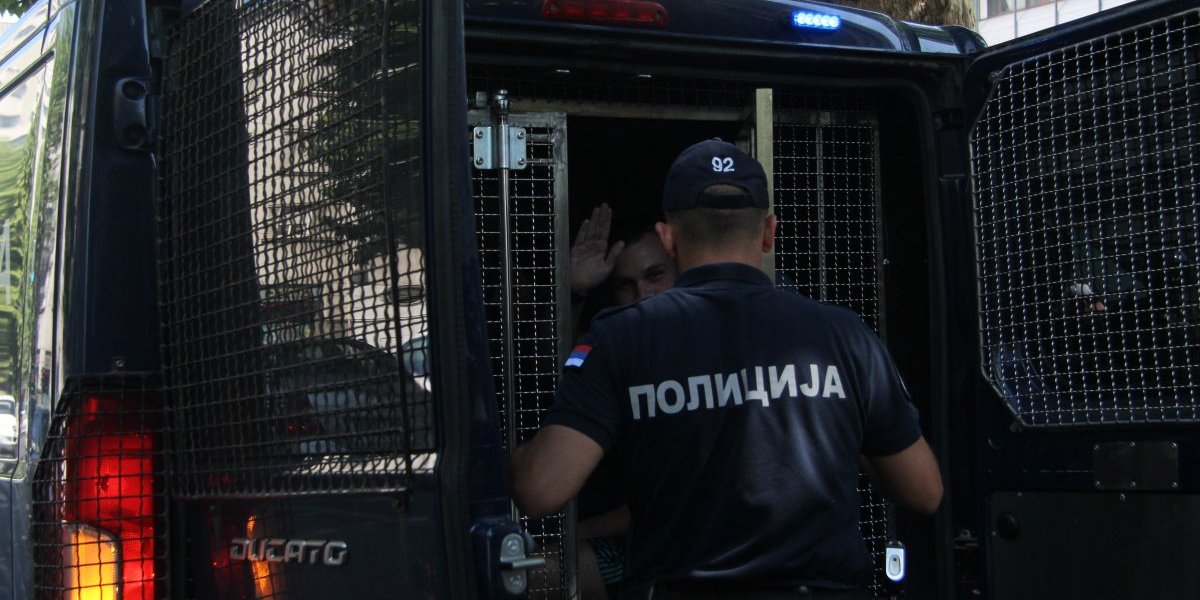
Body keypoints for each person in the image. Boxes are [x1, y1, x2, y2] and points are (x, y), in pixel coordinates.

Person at [510, 139, 942, 599]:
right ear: (769, 232)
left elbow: (539, 489)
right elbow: (924, 492)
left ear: (669, 238)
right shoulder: (843, 335)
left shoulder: (620, 338)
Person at [568, 206, 680, 599]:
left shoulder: (700, 349)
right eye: (625, 285)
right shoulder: (612, 344)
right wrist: (575, 292)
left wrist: (571, 532)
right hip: (621, 532)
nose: (642, 295)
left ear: (681, 268)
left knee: (541, 574)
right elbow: (564, 368)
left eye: (655, 276)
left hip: (660, 550)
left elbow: (658, 503)